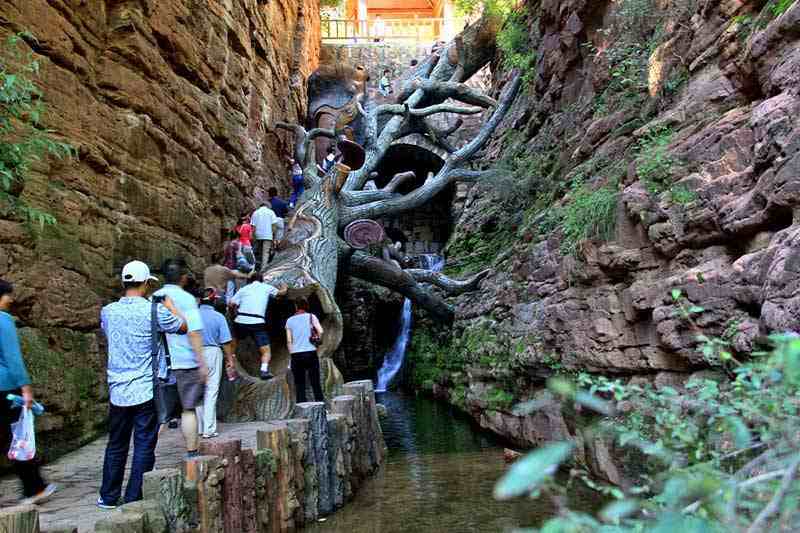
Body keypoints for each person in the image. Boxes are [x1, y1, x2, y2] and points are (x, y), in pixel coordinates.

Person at [97, 261, 187, 509]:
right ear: (147, 283)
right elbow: (183, 327)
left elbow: (109, 335)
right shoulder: (155, 311)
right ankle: (134, 496)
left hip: (118, 389)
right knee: (144, 443)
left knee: (116, 443)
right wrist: (171, 306)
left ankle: (108, 496)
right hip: (146, 389)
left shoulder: (108, 311)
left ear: (123, 283)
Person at [0, 280, 58, 505]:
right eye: (7, 295)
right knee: (19, 438)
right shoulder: (3, 320)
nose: (11, 299)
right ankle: (34, 488)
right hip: (5, 388)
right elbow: (13, 358)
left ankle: (36, 486)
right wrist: (26, 388)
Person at [152, 259, 208, 459]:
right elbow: (193, 332)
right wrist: (202, 362)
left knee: (160, 416)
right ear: (183, 277)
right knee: (188, 409)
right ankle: (192, 454)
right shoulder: (186, 299)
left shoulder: (153, 297)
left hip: (160, 365)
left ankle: (145, 454)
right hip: (186, 362)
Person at [228, 273, 288, 380]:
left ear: (250, 280)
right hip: (257, 321)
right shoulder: (266, 287)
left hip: (241, 320)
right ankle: (264, 371)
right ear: (262, 280)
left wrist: (234, 314)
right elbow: (281, 293)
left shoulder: (244, 289)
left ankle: (230, 362)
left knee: (234, 340)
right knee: (265, 350)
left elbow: (231, 303)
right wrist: (284, 287)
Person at [194, 288, 236, 439]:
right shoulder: (218, 317)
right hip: (212, 352)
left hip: (194, 353)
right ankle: (209, 429)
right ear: (214, 300)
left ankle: (200, 427)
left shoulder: (192, 316)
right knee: (211, 390)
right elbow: (226, 342)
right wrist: (230, 360)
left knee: (198, 391)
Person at [285, 298, 325, 404]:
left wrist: (292, 354)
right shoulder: (311, 317)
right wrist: (316, 343)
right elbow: (321, 331)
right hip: (310, 352)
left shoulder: (289, 320)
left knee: (299, 384)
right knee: (315, 382)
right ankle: (321, 406)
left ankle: (302, 410)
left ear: (296, 307)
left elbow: (289, 341)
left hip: (296, 355)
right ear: (306, 306)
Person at [251, 201, 279, 270]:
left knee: (257, 251)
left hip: (258, 235)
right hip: (268, 235)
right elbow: (274, 226)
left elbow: (253, 227)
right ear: (267, 206)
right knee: (265, 252)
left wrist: (253, 236)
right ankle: (263, 269)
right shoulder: (271, 212)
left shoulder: (255, 213)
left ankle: (254, 267)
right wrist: (274, 236)